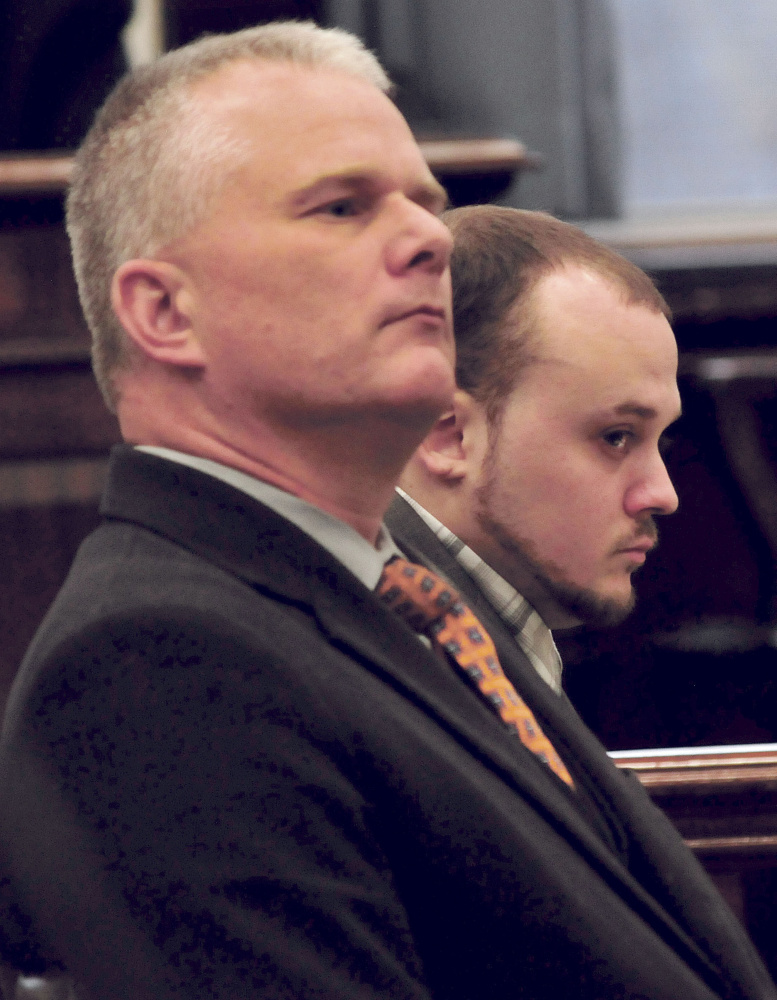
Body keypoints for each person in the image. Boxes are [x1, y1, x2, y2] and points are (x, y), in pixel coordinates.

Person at [0, 22, 772, 997]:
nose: (427, 240)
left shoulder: (403, 602)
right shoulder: (158, 665)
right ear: (164, 313)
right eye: (341, 207)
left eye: (426, 203)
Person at [386, 205, 777, 997]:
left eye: (660, 440)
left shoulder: (484, 638)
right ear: (446, 433)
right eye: (613, 438)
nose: (662, 493)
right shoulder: (391, 654)